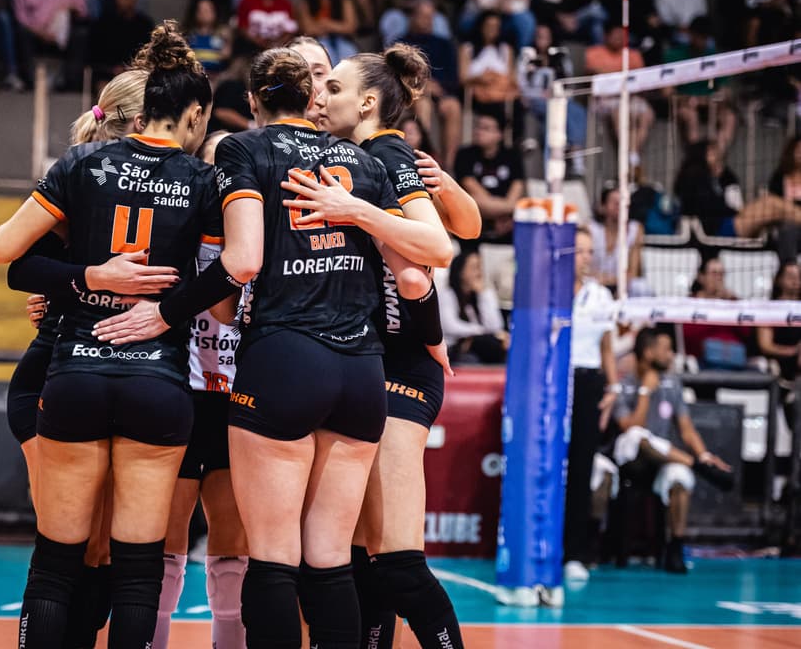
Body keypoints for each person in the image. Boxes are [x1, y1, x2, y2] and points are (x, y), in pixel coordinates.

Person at [95, 46, 452, 648]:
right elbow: (418, 271)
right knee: (333, 559)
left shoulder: (244, 147)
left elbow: (243, 261)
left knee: (273, 560)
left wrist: (174, 311)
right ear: (312, 100)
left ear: (254, 101)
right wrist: (434, 337)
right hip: (362, 370)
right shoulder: (364, 163)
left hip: (285, 357)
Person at [0, 21, 220, 647]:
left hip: (76, 373)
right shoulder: (204, 181)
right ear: (193, 113)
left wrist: (90, 275)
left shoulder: (81, 161)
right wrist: (169, 311)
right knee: (137, 570)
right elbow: (234, 270)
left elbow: (7, 254)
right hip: (157, 379)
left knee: (56, 562)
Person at [304, 44, 480, 649]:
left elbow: (433, 254)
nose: (320, 98)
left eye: (333, 88)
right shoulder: (357, 155)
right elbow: (466, 227)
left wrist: (354, 210)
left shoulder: (386, 152)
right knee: (357, 559)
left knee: (396, 560)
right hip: (359, 362)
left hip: (397, 367)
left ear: (369, 101)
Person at [152, 129, 248, 649]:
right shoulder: (179, 234)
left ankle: (227, 641)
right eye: (215, 165)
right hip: (181, 392)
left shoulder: (261, 236)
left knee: (233, 543)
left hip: (239, 400)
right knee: (168, 538)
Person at [613, 328, 734, 574]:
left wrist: (704, 455)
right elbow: (630, 426)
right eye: (666, 349)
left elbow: (687, 429)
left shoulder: (672, 384)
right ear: (648, 353)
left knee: (679, 477)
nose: (671, 355)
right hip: (631, 460)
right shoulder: (624, 385)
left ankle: (676, 546)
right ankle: (698, 467)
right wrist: (645, 391)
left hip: (665, 460)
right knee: (639, 436)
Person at [564, 226, 619, 581]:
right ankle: (539, 547)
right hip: (554, 383)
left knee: (583, 467)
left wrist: (612, 389)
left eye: (588, 251)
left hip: (588, 381)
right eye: (579, 251)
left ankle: (575, 553)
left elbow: (606, 347)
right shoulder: (548, 291)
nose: (585, 258)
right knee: (548, 467)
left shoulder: (601, 297)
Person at [674, 140, 801, 239]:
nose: (717, 155)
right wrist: (736, 212)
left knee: (772, 206)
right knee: (770, 203)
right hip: (718, 229)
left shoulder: (717, 178)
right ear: (701, 154)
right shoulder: (694, 178)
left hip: (728, 222)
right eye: (711, 152)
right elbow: (710, 208)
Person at [12, 0, 89, 90]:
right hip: (34, 33)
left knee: (81, 33)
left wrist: (70, 7)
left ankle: (71, 83)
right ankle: (29, 82)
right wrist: (40, 33)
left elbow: (83, 10)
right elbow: (20, 16)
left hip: (61, 35)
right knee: (20, 32)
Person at [400, 0, 463, 170]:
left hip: (442, 93)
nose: (427, 21)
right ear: (412, 17)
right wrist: (422, 85)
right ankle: (423, 157)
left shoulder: (444, 44)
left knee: (453, 107)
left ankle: (448, 165)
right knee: (423, 105)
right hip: (414, 94)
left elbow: (454, 78)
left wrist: (437, 87)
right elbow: (397, 74)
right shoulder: (401, 43)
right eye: (422, 16)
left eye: (430, 17)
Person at [517, 23, 587, 172]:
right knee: (553, 109)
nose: (542, 40)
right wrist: (537, 94)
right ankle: (568, 149)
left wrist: (560, 96)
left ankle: (575, 150)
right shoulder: (527, 54)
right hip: (534, 99)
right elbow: (521, 83)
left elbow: (569, 83)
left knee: (578, 111)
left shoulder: (561, 55)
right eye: (539, 37)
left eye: (546, 37)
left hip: (558, 98)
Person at [662, 17, 736, 152]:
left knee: (729, 118)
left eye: (705, 37)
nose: (701, 41)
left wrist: (717, 97)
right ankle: (698, 156)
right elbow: (666, 92)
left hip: (710, 104)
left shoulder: (714, 57)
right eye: (698, 36)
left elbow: (726, 90)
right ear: (690, 34)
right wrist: (686, 99)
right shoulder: (674, 55)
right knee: (691, 116)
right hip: (686, 105)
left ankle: (714, 156)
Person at [584, 23, 654, 164]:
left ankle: (632, 154)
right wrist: (623, 79)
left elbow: (639, 81)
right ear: (606, 36)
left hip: (630, 97)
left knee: (647, 114)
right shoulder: (593, 53)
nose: (619, 39)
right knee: (620, 112)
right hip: (604, 99)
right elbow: (593, 76)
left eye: (622, 36)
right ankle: (629, 158)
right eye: (615, 36)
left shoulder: (633, 55)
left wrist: (612, 78)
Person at [454, 114, 524, 247]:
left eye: (486, 128)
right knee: (472, 200)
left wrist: (508, 211)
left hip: (508, 224)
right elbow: (472, 189)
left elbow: (517, 190)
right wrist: (510, 210)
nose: (478, 131)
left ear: (499, 134)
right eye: (477, 127)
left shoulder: (513, 156)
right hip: (476, 219)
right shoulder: (465, 154)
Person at [440, 249, 507, 364]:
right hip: (453, 348)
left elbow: (495, 326)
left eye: (480, 267)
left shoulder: (481, 296)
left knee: (501, 352)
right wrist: (481, 332)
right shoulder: (447, 294)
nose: (478, 273)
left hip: (481, 345)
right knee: (474, 357)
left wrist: (483, 294)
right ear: (461, 271)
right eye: (474, 268)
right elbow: (449, 326)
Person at [757, 261, 801, 433]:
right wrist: (793, 351)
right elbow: (765, 345)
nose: (795, 281)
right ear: (779, 280)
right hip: (782, 368)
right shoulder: (770, 308)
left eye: (798, 277)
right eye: (791, 276)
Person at [88, 0, 154, 86]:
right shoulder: (102, 24)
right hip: (107, 75)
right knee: (105, 93)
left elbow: (149, 56)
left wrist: (129, 70)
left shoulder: (145, 25)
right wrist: (112, 69)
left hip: (136, 76)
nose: (123, 0)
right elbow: (93, 56)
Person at [459, 10, 519, 126]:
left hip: (501, 92)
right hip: (477, 94)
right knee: (495, 108)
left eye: (496, 26)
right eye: (489, 26)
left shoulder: (506, 50)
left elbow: (512, 78)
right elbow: (463, 78)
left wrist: (496, 78)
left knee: (517, 105)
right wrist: (480, 78)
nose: (493, 30)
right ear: (481, 26)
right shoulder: (467, 49)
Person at [295, 0, 358, 65]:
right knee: (324, 49)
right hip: (316, 41)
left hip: (341, 40)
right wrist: (336, 26)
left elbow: (350, 27)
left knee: (347, 50)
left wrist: (325, 23)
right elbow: (308, 29)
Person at [588, 183, 644, 294]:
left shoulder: (636, 229)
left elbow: (633, 271)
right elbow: (582, 269)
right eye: (615, 203)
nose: (620, 207)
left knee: (641, 287)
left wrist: (613, 281)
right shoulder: (590, 229)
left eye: (623, 203)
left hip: (622, 285)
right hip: (593, 284)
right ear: (602, 207)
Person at [186, 0, 231, 77]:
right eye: (200, 10)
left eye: (207, 10)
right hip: (195, 75)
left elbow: (226, 55)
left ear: (214, 12)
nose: (203, 13)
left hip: (218, 75)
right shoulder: (189, 36)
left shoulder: (222, 35)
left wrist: (228, 40)